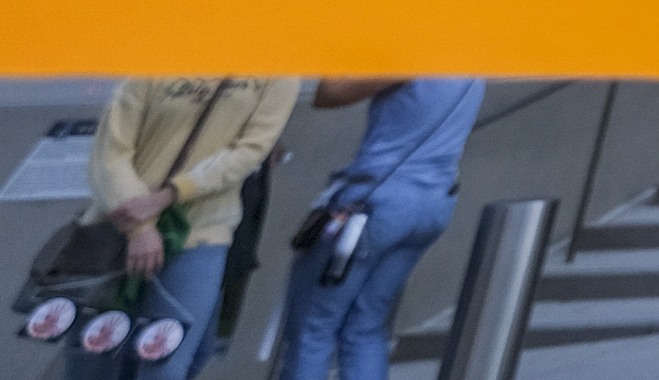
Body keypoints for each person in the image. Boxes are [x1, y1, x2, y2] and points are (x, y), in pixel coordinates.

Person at [77, 78, 298, 380]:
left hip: (202, 229)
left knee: (167, 364)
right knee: (98, 359)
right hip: (118, 226)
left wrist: (170, 194)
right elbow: (109, 154)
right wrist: (141, 226)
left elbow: (250, 151)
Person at [273, 79, 479, 380]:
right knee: (365, 327)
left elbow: (329, 93)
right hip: (434, 203)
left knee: (312, 330)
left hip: (375, 205)